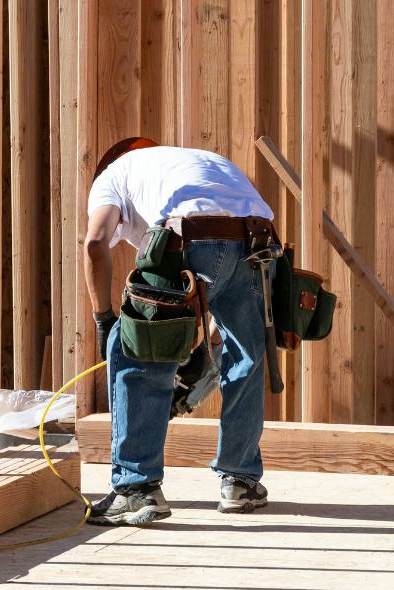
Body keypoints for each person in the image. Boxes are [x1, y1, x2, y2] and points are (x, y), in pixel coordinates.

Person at [84, 137, 276, 525]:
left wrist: (104, 319)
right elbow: (230, 241)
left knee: (135, 350)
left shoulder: (112, 175)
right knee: (246, 358)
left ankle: (137, 490)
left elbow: (95, 244)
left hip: (187, 236)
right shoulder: (202, 159)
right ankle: (240, 483)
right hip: (259, 242)